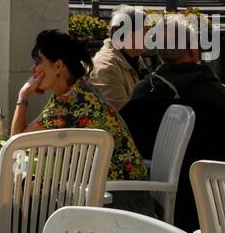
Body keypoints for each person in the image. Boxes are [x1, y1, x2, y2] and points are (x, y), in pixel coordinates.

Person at [120, 15, 225, 232]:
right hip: (218, 208)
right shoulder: (218, 95)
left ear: (160, 54)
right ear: (193, 51)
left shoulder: (143, 92)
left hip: (156, 205)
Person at [11, 29, 147, 182]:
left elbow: (17, 142)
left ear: (58, 66)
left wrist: (22, 96)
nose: (33, 69)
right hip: (122, 192)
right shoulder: (77, 91)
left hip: (118, 198)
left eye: (38, 62)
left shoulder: (69, 102)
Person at [89, 5, 151, 112]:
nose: (150, 36)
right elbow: (122, 115)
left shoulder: (133, 56)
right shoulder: (106, 69)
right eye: (146, 31)